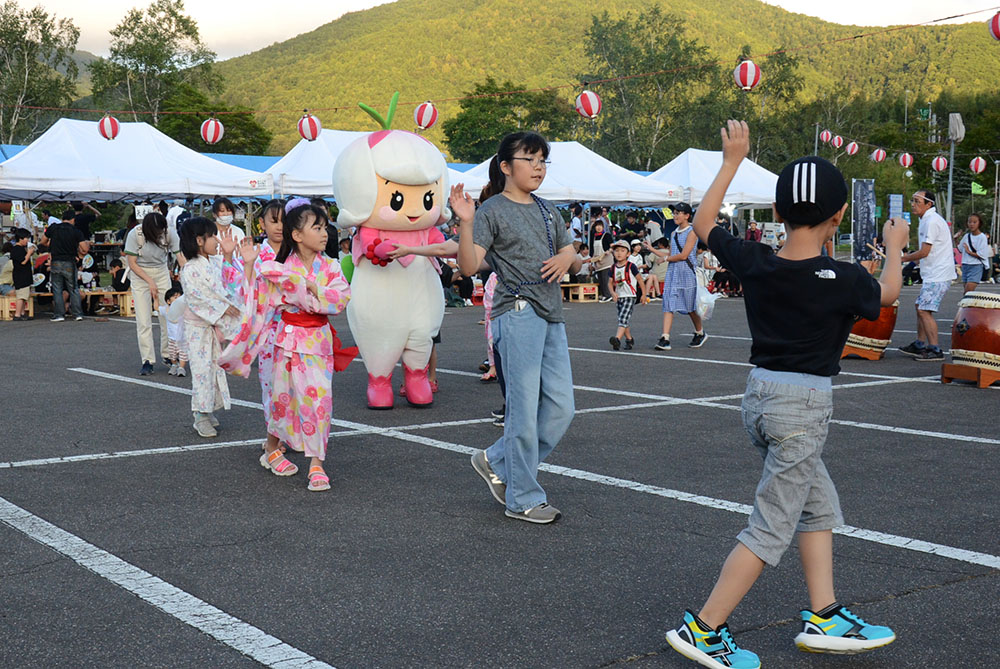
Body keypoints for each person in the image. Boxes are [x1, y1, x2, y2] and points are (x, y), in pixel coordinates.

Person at [665, 121, 905, 669]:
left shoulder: (757, 261)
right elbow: (890, 292)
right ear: (839, 216)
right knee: (771, 525)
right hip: (802, 410)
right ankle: (703, 628)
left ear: (775, 214)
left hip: (760, 399)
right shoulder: (842, 277)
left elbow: (703, 224)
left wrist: (731, 161)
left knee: (816, 506)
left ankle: (824, 614)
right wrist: (893, 246)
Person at [454, 130, 581, 525]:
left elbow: (569, 254)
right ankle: (522, 497)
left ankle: (495, 459)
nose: (539, 167)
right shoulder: (490, 211)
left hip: (551, 314)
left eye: (543, 159)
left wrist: (568, 258)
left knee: (562, 408)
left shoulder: (547, 210)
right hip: (518, 311)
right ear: (506, 166)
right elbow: (470, 266)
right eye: (530, 159)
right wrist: (466, 223)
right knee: (523, 413)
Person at [220, 202, 353, 491]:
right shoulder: (278, 268)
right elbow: (255, 297)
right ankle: (271, 448)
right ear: (297, 235)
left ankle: (317, 462)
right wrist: (249, 265)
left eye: (323, 227)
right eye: (316, 228)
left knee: (320, 402)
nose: (324, 233)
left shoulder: (329, 266)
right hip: (286, 340)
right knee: (283, 398)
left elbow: (340, 298)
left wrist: (313, 289)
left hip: (317, 341)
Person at [179, 217, 242, 438]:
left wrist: (227, 256)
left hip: (212, 325)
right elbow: (199, 299)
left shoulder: (212, 262)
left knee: (214, 368)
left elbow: (229, 282)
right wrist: (223, 310)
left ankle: (208, 409)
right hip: (199, 328)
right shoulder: (190, 269)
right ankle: (200, 415)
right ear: (198, 240)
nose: (216, 239)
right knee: (201, 370)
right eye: (212, 236)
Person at [898, 190, 955, 362]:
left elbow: (924, 252)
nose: (913, 204)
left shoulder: (931, 221)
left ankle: (935, 349)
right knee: (919, 306)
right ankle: (920, 344)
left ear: (928, 204)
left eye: (917, 201)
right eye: (912, 200)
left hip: (939, 274)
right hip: (934, 273)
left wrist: (903, 258)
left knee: (924, 310)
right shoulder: (927, 220)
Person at [124, 211, 182, 375]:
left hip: (161, 272)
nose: (160, 235)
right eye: (156, 233)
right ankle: (147, 360)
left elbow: (180, 256)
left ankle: (168, 355)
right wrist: (149, 281)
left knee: (168, 316)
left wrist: (190, 274)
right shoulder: (135, 235)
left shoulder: (169, 232)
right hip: (140, 273)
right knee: (144, 319)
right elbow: (132, 263)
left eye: (161, 231)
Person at [645, 202, 706, 350]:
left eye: (679, 213)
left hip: (686, 273)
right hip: (673, 272)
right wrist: (652, 249)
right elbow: (672, 254)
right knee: (668, 303)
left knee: (690, 306)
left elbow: (684, 255)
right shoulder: (673, 233)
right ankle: (665, 337)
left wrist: (665, 259)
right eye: (675, 212)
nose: (675, 215)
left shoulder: (692, 232)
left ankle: (700, 332)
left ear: (687, 215)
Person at [41, 209, 88, 322]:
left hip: (56, 261)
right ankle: (77, 314)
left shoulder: (53, 227)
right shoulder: (76, 231)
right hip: (70, 262)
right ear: (73, 219)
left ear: (62, 218)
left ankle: (59, 314)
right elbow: (85, 248)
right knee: (73, 288)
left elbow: (43, 241)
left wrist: (52, 246)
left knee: (57, 288)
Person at [608, 240, 647, 350]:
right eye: (616, 250)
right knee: (623, 319)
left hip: (630, 295)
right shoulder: (613, 267)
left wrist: (644, 294)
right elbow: (609, 282)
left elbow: (640, 280)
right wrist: (612, 292)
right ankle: (629, 339)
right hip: (619, 296)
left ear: (628, 253)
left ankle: (617, 339)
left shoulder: (631, 266)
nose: (619, 253)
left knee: (623, 319)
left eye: (622, 250)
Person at [957, 213, 991, 293]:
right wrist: (956, 239)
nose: (972, 224)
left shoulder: (982, 237)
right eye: (970, 222)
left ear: (979, 223)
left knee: (968, 290)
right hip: (965, 265)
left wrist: (969, 252)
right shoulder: (966, 236)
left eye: (974, 222)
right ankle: (967, 305)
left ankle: (965, 304)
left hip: (976, 265)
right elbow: (960, 249)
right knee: (966, 290)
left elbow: (982, 254)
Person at [160, 286, 188, 377]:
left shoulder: (183, 310)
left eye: (180, 298)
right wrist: (155, 298)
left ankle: (181, 368)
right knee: (172, 355)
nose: (178, 300)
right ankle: (174, 364)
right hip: (171, 338)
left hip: (183, 338)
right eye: (175, 298)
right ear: (168, 301)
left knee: (183, 354)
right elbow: (156, 307)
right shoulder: (166, 310)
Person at [9, 230, 35, 320]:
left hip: (24, 275)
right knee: (21, 296)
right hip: (21, 276)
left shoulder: (20, 249)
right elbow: (23, 261)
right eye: (26, 238)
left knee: (24, 295)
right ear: (20, 239)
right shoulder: (17, 249)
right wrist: (29, 253)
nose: (27, 240)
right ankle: (17, 314)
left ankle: (22, 313)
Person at [590, 219, 614, 302]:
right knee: (600, 278)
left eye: (600, 226)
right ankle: (604, 294)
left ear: (603, 227)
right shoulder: (594, 236)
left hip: (606, 259)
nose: (598, 227)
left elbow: (612, 246)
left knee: (605, 278)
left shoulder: (607, 235)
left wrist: (609, 251)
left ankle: (608, 295)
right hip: (598, 260)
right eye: (597, 226)